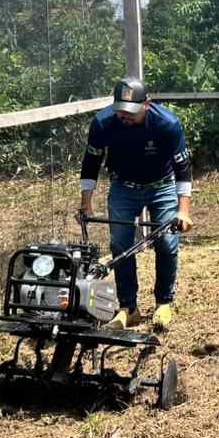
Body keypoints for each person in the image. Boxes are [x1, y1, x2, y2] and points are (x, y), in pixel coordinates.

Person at [79, 77, 194, 331]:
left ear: (147, 104)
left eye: (130, 112)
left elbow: (183, 167)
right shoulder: (102, 123)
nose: (125, 116)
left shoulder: (167, 124)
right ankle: (128, 307)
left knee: (166, 240)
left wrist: (183, 210)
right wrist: (86, 203)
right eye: (120, 110)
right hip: (123, 187)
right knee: (121, 244)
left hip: (161, 185)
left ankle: (164, 302)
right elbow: (91, 162)